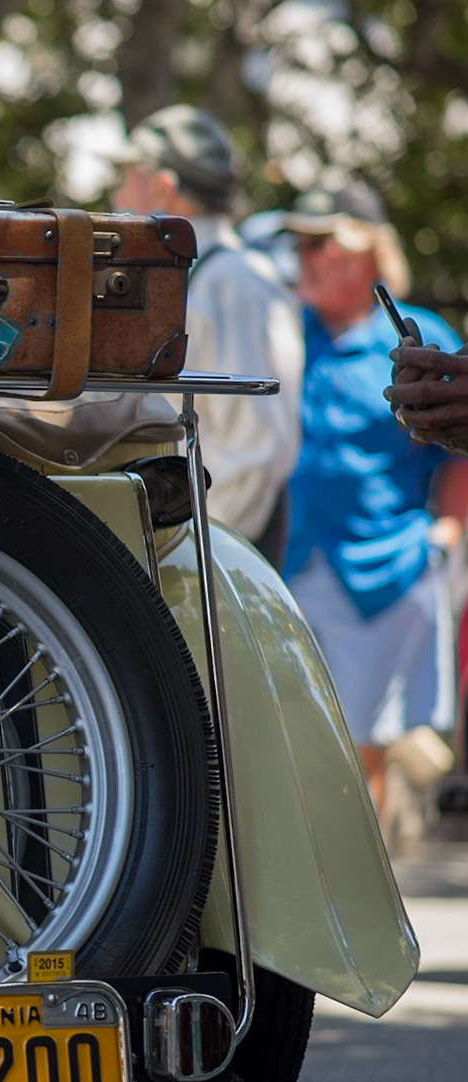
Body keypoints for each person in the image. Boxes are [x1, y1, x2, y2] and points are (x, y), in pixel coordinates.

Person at [283, 181, 460, 811]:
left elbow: (459, 447)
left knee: (359, 752)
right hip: (297, 562)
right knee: (299, 743)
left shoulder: (420, 335)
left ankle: (367, 869)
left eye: (318, 243)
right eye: (298, 244)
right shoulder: (288, 331)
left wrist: (447, 534)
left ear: (364, 251)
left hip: (386, 568)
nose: (302, 257)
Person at [110, 105, 303, 564]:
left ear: (163, 186)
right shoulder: (203, 279)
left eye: (126, 176)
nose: (117, 193)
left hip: (205, 556)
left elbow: (256, 452)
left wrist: (191, 554)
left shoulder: (234, 283)